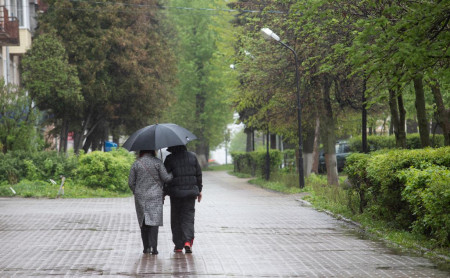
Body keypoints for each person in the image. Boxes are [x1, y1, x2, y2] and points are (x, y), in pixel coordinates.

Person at [128, 150, 172, 255]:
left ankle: (146, 247)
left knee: (143, 222)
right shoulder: (158, 162)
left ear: (141, 152)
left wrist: (136, 191)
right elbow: (166, 178)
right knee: (154, 221)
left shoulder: (136, 163)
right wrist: (172, 173)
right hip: (155, 196)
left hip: (140, 196)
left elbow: (130, 182)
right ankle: (154, 248)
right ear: (153, 151)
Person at [164, 145, 202, 253]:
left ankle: (178, 245)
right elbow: (198, 174)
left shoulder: (170, 158)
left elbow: (165, 177)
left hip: (175, 194)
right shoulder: (193, 156)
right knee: (188, 217)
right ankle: (187, 241)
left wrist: (164, 191)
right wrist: (199, 190)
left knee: (176, 218)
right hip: (190, 193)